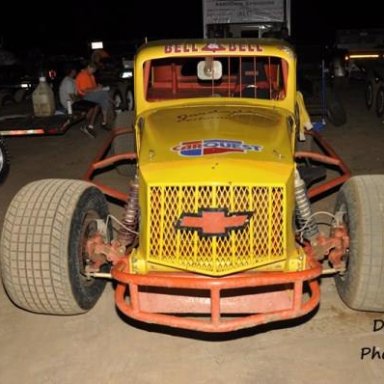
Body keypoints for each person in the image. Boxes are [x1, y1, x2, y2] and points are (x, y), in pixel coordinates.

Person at [58, 65, 100, 138]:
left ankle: (89, 125)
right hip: (69, 104)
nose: (76, 72)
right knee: (94, 105)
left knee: (93, 102)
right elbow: (73, 97)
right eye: (74, 70)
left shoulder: (70, 80)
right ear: (72, 71)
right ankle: (87, 126)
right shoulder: (68, 82)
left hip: (72, 102)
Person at [75, 61, 112, 132]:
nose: (93, 72)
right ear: (88, 67)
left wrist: (98, 87)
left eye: (94, 70)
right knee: (103, 94)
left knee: (102, 99)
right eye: (93, 70)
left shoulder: (91, 76)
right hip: (83, 96)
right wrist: (96, 89)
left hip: (91, 95)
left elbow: (94, 87)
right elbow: (84, 90)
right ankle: (114, 103)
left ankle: (99, 123)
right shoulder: (82, 75)